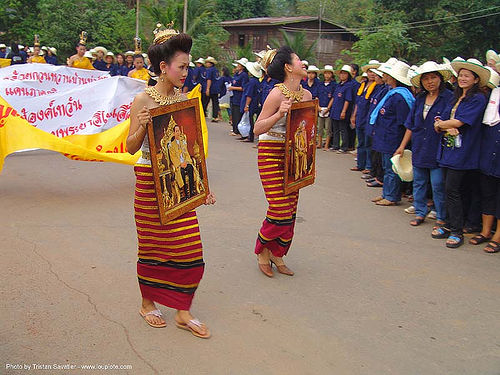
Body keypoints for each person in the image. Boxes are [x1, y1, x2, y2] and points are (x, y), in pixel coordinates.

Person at [126, 24, 215, 338]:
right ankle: (148, 303)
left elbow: (193, 149)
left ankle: (183, 310)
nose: (186, 73)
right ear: (163, 67)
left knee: (190, 248)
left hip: (180, 185)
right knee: (152, 246)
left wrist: (203, 186)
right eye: (182, 67)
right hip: (149, 183)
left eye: (188, 67)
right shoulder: (142, 100)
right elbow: (130, 147)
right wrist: (140, 126)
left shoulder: (185, 101)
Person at [252, 46, 312, 278]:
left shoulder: (306, 95)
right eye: (299, 60)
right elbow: (257, 128)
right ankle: (262, 251)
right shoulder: (276, 94)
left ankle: (278, 253)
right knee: (279, 208)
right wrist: (279, 114)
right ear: (288, 67)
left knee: (292, 208)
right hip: (271, 151)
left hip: (295, 155)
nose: (303, 63)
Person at [433, 58, 489, 248]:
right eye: (461, 75)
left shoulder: (478, 98)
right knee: (449, 189)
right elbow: (445, 118)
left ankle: (457, 230)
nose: (463, 78)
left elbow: (459, 122)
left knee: (453, 189)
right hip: (448, 149)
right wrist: (441, 123)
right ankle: (449, 224)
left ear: (475, 80)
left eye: (467, 76)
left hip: (464, 152)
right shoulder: (456, 97)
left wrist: (441, 124)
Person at [395, 61, 453, 226]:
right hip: (419, 147)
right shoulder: (419, 99)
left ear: (440, 79)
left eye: (433, 77)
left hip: (438, 148)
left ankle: (441, 216)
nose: (430, 82)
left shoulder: (449, 98)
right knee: (419, 182)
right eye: (426, 79)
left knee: (437, 185)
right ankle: (420, 212)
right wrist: (402, 146)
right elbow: (411, 125)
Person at [370, 59, 415, 206]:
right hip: (385, 137)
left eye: (387, 74)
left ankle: (391, 196)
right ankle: (386, 192)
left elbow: (404, 122)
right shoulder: (391, 93)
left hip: (393, 138)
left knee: (391, 169)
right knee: (386, 167)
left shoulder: (400, 97)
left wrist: (402, 144)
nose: (384, 75)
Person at [476, 69, 500, 252]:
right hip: (489, 151)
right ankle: (485, 231)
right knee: (487, 192)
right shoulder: (494, 94)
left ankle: (497, 236)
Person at [350, 60, 381, 172]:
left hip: (369, 118)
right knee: (361, 142)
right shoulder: (363, 85)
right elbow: (358, 102)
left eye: (374, 72)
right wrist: (354, 115)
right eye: (369, 71)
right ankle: (360, 164)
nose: (371, 74)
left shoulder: (378, 87)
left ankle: (369, 166)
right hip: (360, 117)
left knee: (369, 143)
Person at [326, 65, 354, 153]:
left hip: (341, 110)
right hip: (335, 109)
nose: (342, 75)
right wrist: (328, 108)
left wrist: (344, 111)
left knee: (343, 129)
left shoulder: (348, 86)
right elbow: (334, 97)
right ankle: (335, 145)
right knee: (335, 129)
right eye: (341, 73)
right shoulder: (338, 85)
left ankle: (344, 147)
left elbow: (347, 99)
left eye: (344, 74)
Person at [241, 61, 262, 143]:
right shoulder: (258, 82)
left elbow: (249, 95)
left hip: (252, 103)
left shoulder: (251, 82)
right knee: (253, 119)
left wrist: (247, 105)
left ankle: (250, 136)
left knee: (250, 119)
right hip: (257, 102)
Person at [228, 58, 249, 137]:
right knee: (233, 112)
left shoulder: (244, 75)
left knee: (237, 113)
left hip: (239, 97)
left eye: (239, 64)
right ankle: (234, 128)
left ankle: (237, 130)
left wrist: (233, 88)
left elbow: (243, 88)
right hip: (233, 96)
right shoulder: (236, 74)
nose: (237, 66)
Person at [317, 65, 336, 149]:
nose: (327, 75)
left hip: (328, 109)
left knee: (328, 128)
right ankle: (319, 143)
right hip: (320, 108)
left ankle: (327, 145)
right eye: (326, 73)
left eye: (329, 73)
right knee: (320, 127)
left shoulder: (334, 85)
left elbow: (333, 97)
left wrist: (328, 108)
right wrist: (318, 107)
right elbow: (316, 96)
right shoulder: (320, 84)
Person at [203, 56, 220, 121]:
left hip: (211, 88)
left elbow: (209, 80)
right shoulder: (216, 70)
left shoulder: (209, 70)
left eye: (207, 62)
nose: (206, 64)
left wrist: (207, 89)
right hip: (216, 89)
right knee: (215, 103)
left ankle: (203, 114)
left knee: (205, 101)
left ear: (210, 63)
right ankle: (215, 116)